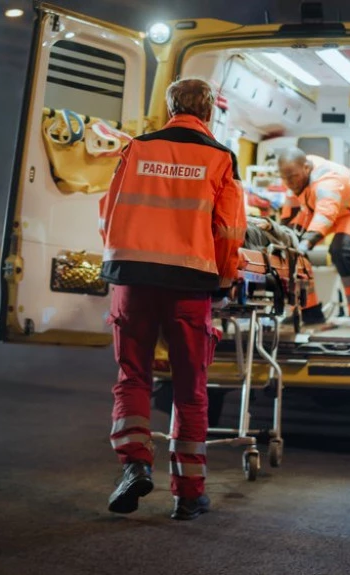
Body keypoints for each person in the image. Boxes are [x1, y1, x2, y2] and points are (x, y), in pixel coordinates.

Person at [98, 78, 246, 520]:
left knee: (133, 376)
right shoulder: (220, 157)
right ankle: (187, 494)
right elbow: (229, 231)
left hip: (132, 279)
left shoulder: (137, 148)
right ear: (209, 112)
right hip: (188, 283)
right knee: (190, 389)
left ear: (169, 109)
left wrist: (122, 259)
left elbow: (108, 213)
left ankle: (135, 464)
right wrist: (224, 282)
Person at [277, 147, 350, 327]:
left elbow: (325, 216)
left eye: (293, 177)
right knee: (291, 251)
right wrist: (282, 238)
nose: (289, 182)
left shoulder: (327, 181)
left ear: (306, 168)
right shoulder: (294, 174)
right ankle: (309, 311)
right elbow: (289, 215)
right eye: (285, 178)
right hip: (317, 210)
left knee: (342, 251)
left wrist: (306, 243)